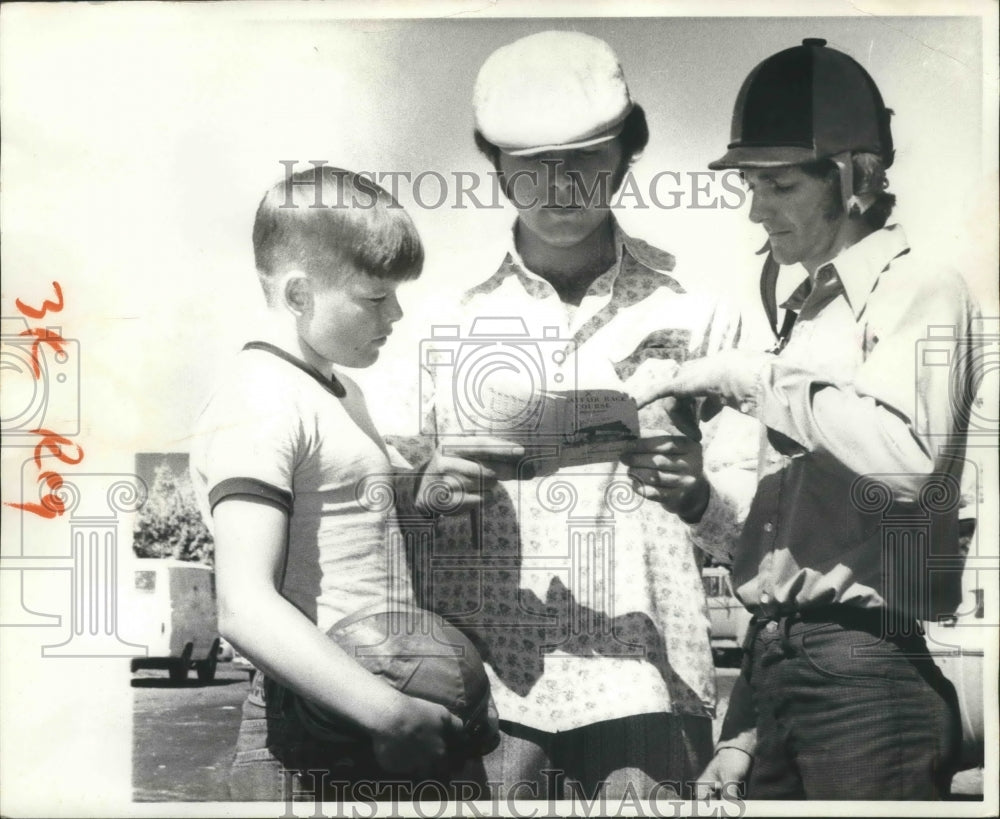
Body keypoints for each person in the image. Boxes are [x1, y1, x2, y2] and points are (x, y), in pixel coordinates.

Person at [634, 38, 980, 800]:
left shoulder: (920, 287)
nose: (756, 210)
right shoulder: (806, 315)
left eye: (780, 184)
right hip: (778, 672)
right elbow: (794, 555)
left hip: (869, 680)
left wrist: (756, 378)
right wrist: (748, 729)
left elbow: (908, 463)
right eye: (751, 184)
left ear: (855, 177)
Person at [410, 30, 743, 800]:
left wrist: (699, 495)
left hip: (652, 692)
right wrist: (425, 493)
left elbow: (758, 528)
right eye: (531, 167)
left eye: (585, 160)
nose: (559, 188)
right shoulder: (438, 321)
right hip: (488, 698)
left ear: (628, 151)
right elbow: (382, 515)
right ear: (492, 164)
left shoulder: (700, 309)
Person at [189, 166, 506, 802]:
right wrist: (392, 714)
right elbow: (244, 607)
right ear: (301, 294)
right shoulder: (261, 398)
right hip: (320, 728)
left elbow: (342, 531)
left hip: (386, 701)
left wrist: (416, 490)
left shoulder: (338, 390)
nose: (396, 313)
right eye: (374, 297)